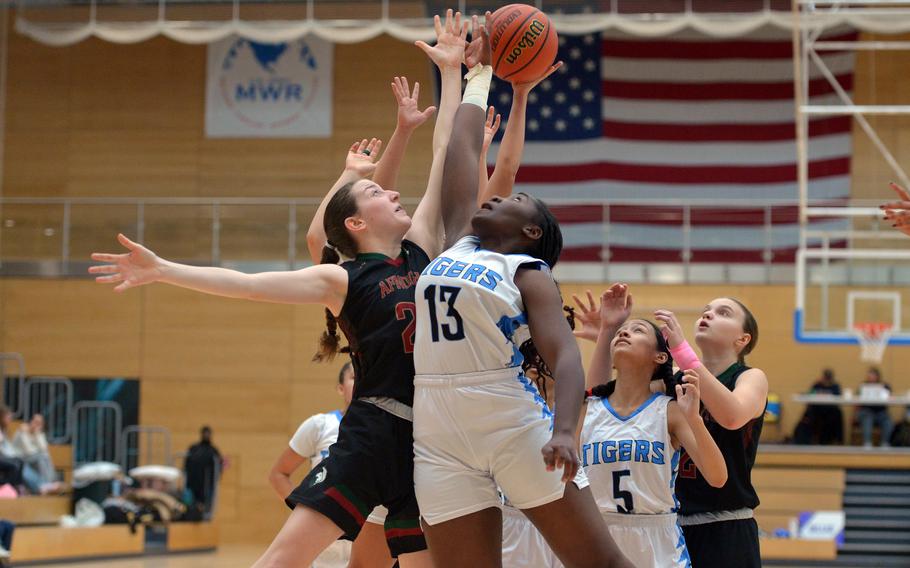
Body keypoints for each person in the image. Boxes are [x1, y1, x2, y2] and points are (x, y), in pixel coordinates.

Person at [90, 11, 465, 567]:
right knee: (282, 560)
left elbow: (445, 157)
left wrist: (453, 74)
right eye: (377, 194)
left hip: (427, 438)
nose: (393, 193)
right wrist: (163, 269)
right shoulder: (342, 278)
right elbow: (246, 285)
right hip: (372, 430)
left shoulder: (424, 248)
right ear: (357, 225)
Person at [410, 13, 630, 568]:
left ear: (530, 231)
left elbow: (564, 356)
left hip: (509, 419)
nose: (495, 196)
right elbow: (461, 152)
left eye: (512, 200)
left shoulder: (529, 272)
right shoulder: (460, 241)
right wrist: (477, 72)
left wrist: (564, 430)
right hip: (436, 422)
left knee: (599, 563)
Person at [575, 294, 766, 568]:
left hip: (727, 523)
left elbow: (732, 416)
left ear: (742, 339)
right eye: (706, 310)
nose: (708, 314)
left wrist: (682, 351)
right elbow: (602, 404)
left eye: (723, 312)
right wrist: (607, 335)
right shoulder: (672, 381)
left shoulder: (749, 377)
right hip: (671, 523)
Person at [268, 362, 394, 568]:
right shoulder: (320, 425)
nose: (361, 381)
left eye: (366, 375)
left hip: (372, 540)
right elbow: (278, 474)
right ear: (340, 388)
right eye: (354, 376)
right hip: (327, 547)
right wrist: (311, 514)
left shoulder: (387, 432)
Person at [794, 369, 843, 445]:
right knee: (808, 413)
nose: (826, 380)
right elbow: (810, 394)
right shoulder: (817, 385)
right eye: (825, 377)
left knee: (837, 414)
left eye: (828, 378)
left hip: (830, 409)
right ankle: (805, 438)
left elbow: (838, 397)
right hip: (817, 409)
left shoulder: (835, 386)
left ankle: (835, 439)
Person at [184, 425, 223, 512]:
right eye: (205, 433)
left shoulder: (213, 450)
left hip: (207, 484)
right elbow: (186, 465)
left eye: (208, 433)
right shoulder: (194, 448)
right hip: (193, 482)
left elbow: (219, 467)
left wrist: (216, 478)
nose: (206, 435)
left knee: (206, 506)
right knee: (191, 504)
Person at [12, 414, 58, 486]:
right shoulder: (23, 430)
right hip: (19, 458)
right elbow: (28, 451)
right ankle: (49, 483)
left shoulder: (38, 433)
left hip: (32, 459)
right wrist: (38, 450)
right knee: (42, 457)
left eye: (40, 423)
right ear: (31, 421)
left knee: (44, 456)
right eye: (36, 422)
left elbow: (44, 449)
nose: (37, 425)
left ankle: (48, 482)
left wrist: (37, 434)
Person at [856, 367, 893, 448]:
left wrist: (886, 392)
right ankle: (867, 443)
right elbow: (858, 401)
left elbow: (889, 398)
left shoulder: (884, 386)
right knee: (867, 419)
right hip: (867, 411)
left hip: (881, 412)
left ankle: (884, 443)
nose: (870, 377)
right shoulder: (863, 386)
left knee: (888, 422)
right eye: (869, 376)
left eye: (873, 376)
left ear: (877, 376)